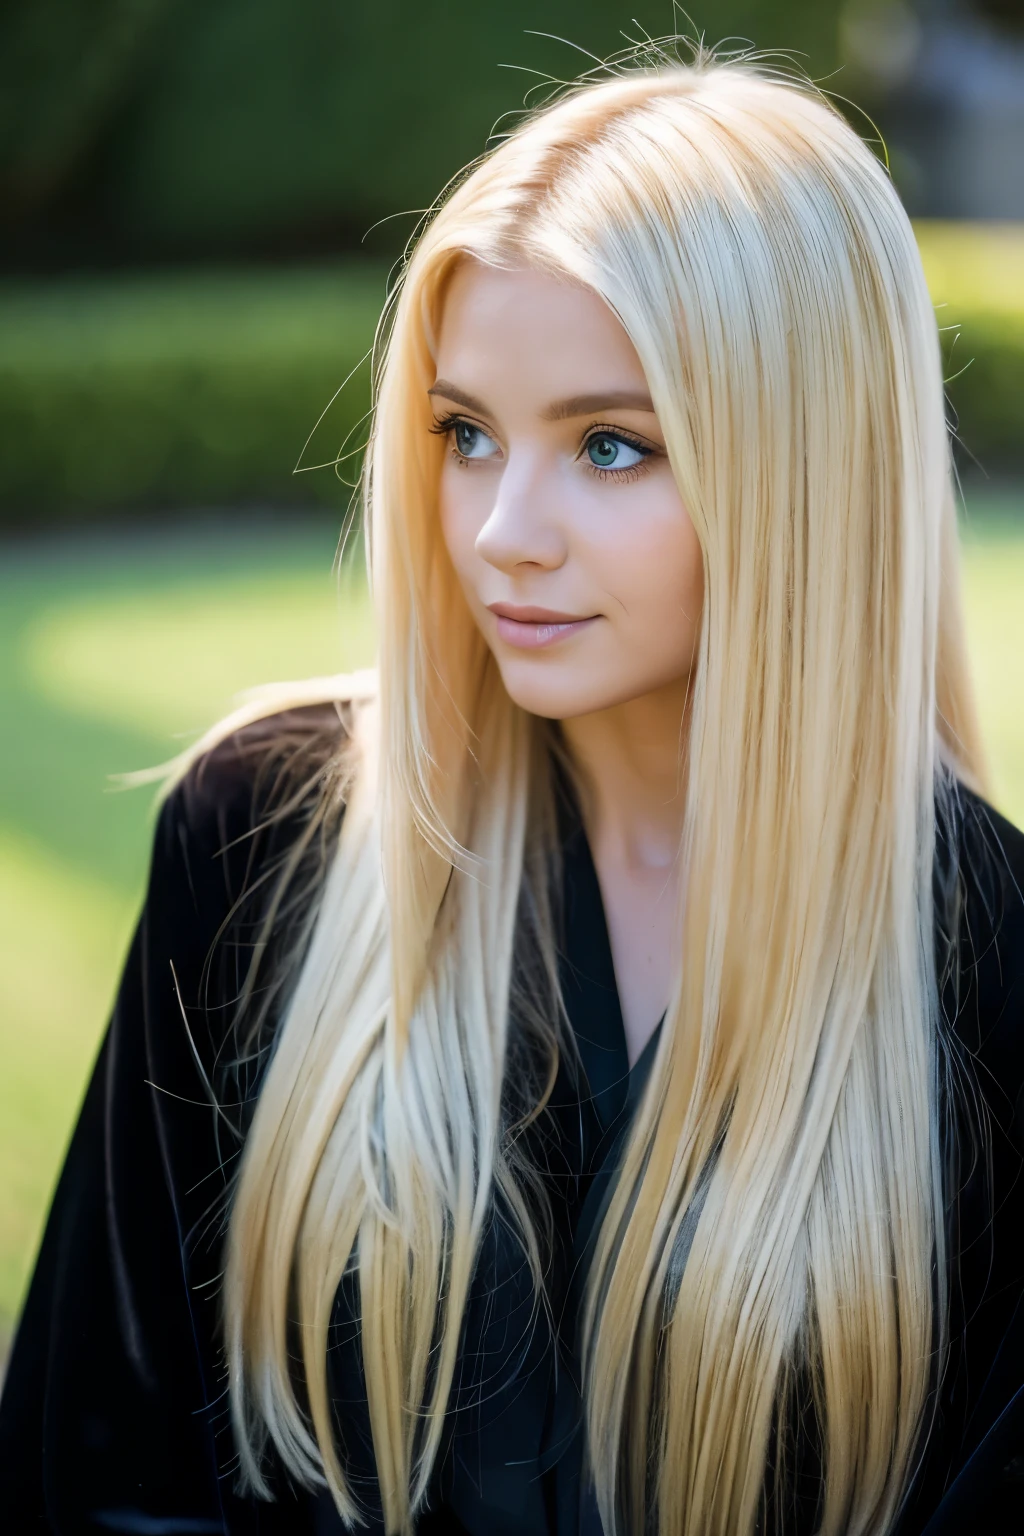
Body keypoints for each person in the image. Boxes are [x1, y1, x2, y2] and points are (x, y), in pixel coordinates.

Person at [1, 49, 1022, 1536]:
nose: (501, 532)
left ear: (802, 469)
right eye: (464, 433)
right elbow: (88, 1472)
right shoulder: (261, 841)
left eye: (611, 447)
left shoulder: (988, 970)